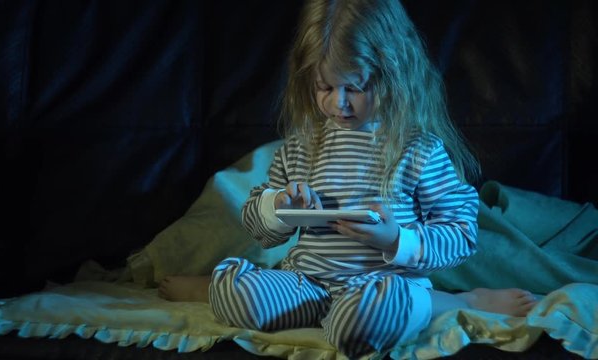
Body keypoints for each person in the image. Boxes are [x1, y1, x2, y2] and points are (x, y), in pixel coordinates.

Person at [159, 0, 537, 356]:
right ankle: (228, 292)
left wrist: (396, 239)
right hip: (307, 284)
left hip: (382, 288)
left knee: (365, 323)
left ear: (394, 75)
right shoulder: (299, 148)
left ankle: (459, 300)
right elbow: (262, 231)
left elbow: (461, 232)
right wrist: (279, 207)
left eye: (355, 88)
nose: (338, 103)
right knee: (236, 294)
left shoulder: (418, 149)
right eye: (325, 87)